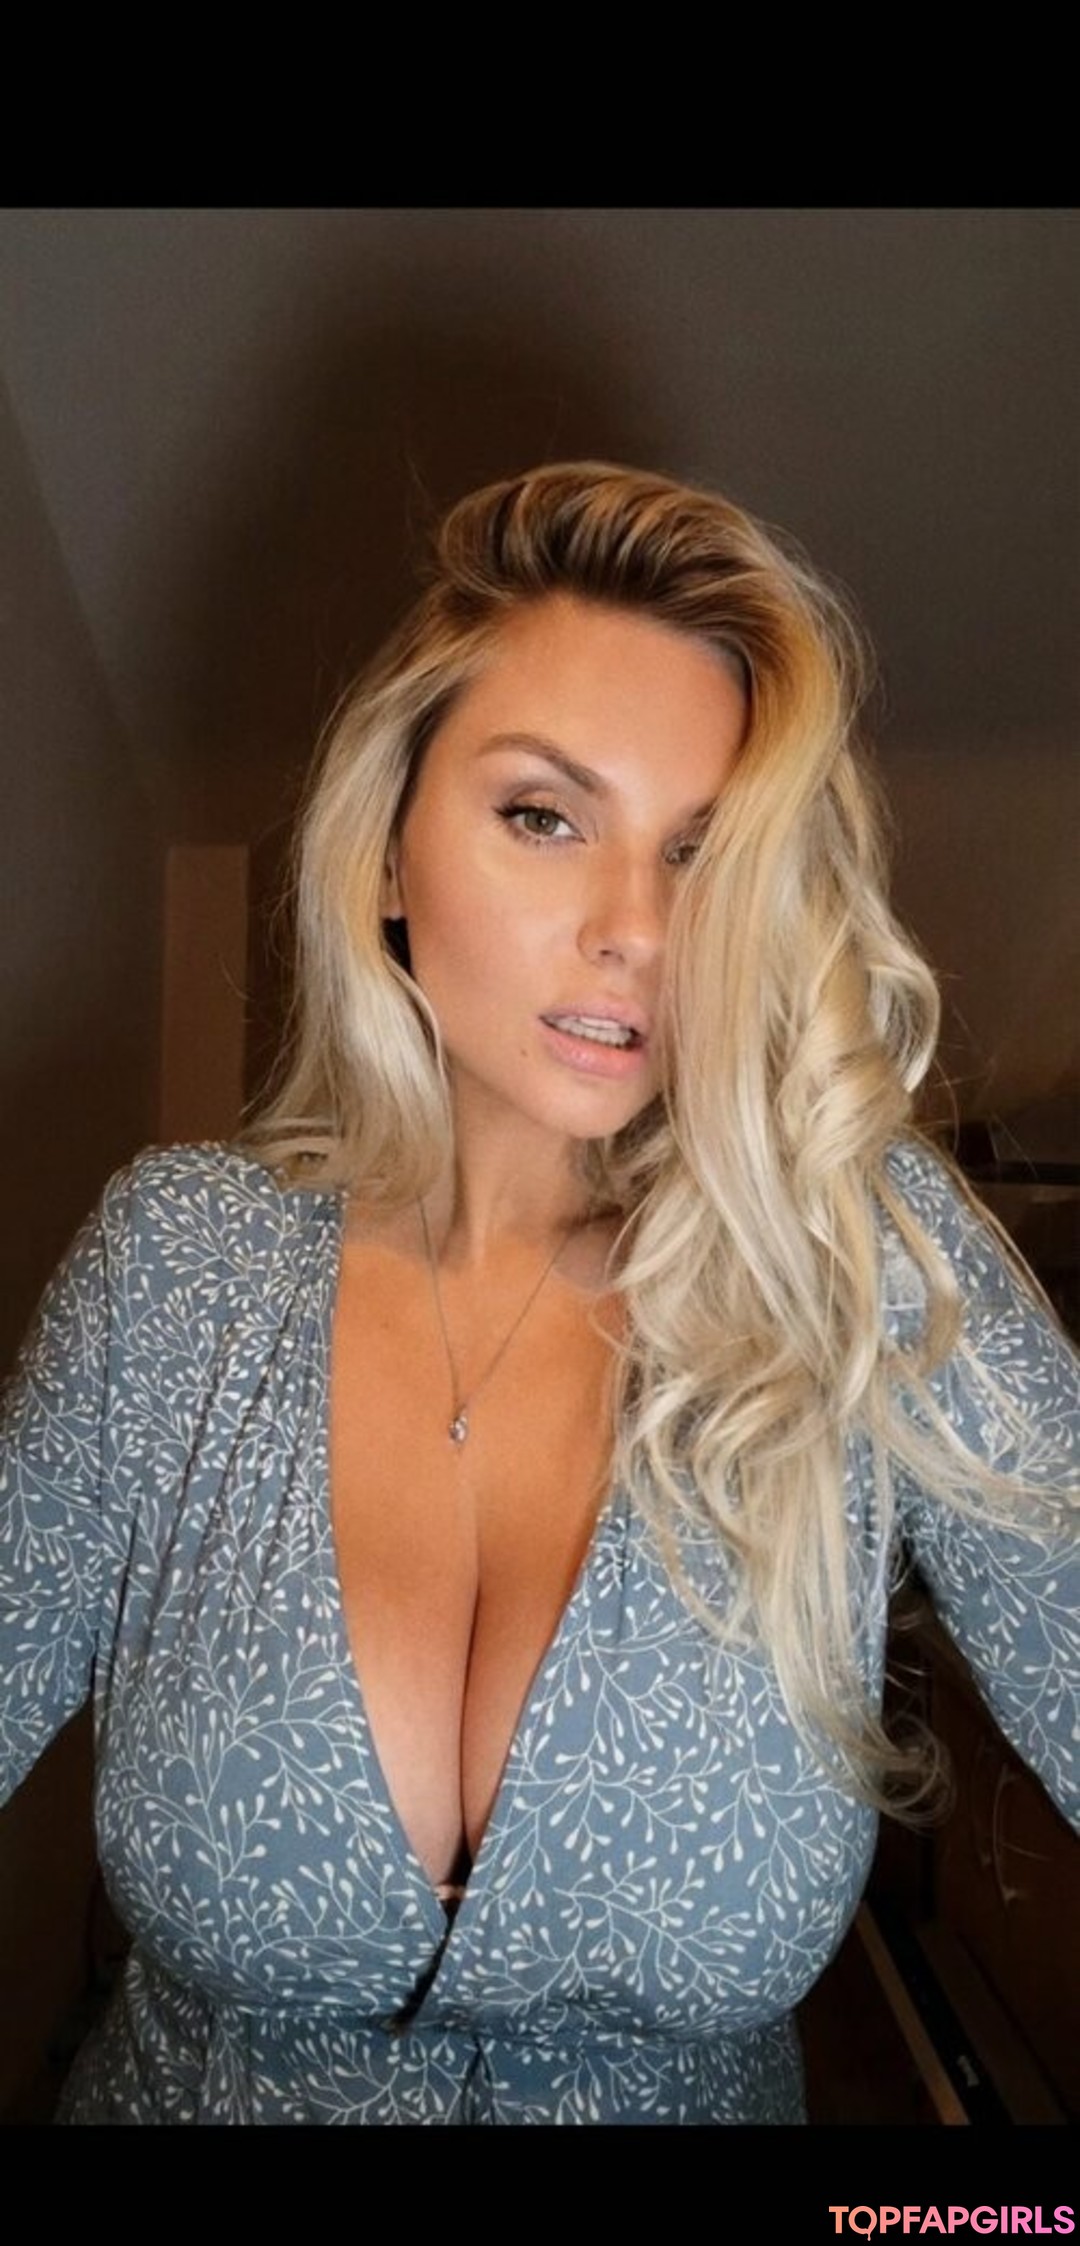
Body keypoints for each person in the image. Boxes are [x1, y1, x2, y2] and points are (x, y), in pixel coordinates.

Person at [1, 462, 1076, 2126]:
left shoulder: (852, 1259)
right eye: (544, 816)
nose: (637, 927)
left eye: (702, 853)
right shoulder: (180, 1272)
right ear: (387, 851)